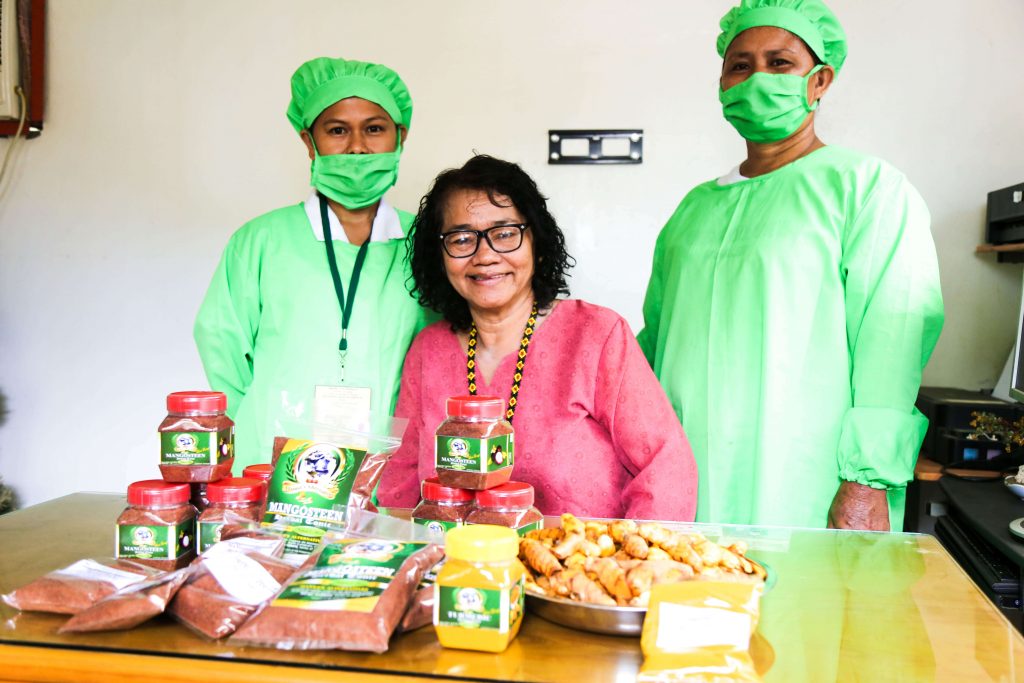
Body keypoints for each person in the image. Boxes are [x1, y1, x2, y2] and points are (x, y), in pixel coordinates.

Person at [637, 0, 944, 530]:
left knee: (805, 608)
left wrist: (865, 481)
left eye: (779, 63)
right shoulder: (693, 209)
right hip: (685, 475)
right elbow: (656, 340)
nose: (757, 78)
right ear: (722, 84)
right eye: (740, 65)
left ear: (819, 80)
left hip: (807, 480)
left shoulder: (865, 188)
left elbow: (892, 341)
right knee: (692, 603)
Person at [377, 155, 698, 521]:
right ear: (440, 256)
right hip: (454, 571)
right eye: (461, 238)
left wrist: (634, 566)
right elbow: (400, 483)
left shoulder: (595, 334)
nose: (485, 255)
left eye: (504, 234)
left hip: (578, 568)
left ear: (537, 243)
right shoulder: (429, 349)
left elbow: (666, 466)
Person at [194, 57, 434, 471]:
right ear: (309, 142)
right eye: (337, 130)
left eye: (374, 129)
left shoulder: (426, 243)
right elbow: (221, 346)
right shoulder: (261, 240)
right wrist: (255, 429)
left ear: (400, 137)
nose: (357, 147)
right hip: (272, 464)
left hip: (391, 466)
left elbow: (441, 354)